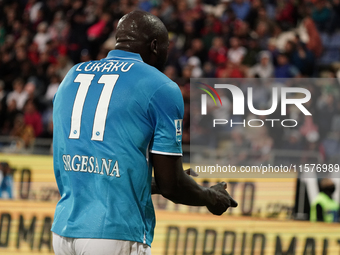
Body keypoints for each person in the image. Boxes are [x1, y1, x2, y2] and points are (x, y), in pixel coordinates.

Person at [51, 10, 237, 255]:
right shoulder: (161, 86)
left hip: (64, 231)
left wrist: (157, 183)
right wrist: (211, 197)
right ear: (155, 46)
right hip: (116, 231)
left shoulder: (72, 75)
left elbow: (97, 170)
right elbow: (173, 186)